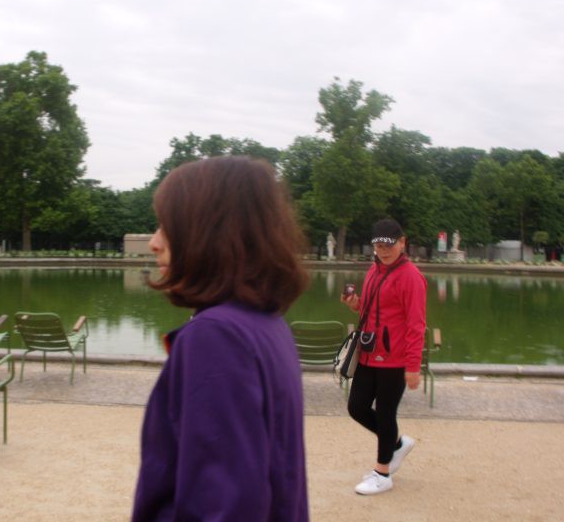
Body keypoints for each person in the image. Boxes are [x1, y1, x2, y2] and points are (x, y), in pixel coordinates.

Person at [132, 156, 311, 521]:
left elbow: (221, 507)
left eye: (168, 226)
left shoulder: (216, 336)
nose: (153, 242)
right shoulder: (265, 324)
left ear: (208, 232)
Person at [340, 218, 427, 495]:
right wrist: (355, 304)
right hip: (368, 353)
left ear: (402, 242)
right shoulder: (374, 270)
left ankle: (382, 473)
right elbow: (370, 310)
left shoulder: (411, 277)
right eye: (378, 245)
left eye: (388, 245)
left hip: (395, 358)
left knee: (386, 413)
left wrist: (413, 366)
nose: (383, 251)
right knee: (356, 407)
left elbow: (416, 325)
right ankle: (397, 445)